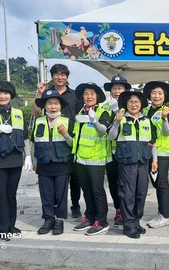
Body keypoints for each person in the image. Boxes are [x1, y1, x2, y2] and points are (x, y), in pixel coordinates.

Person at [0, 81, 32, 241]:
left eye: (6, 93)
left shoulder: (18, 112)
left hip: (15, 158)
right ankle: (1, 229)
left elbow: (24, 136)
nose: (2, 96)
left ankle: (10, 225)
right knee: (0, 195)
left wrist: (28, 155)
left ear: (11, 95)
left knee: (11, 195)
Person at [33, 64, 82, 219]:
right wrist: (39, 93)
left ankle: (74, 205)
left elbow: (81, 114)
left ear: (67, 77)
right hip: (49, 142)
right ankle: (51, 213)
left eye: (63, 75)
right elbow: (35, 111)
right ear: (52, 76)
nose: (60, 77)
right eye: (56, 74)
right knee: (51, 184)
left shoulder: (74, 95)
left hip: (68, 137)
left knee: (74, 179)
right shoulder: (45, 94)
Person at [108, 91, 158, 239]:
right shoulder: (121, 119)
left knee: (141, 194)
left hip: (143, 163)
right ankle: (128, 225)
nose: (134, 104)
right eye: (130, 102)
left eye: (136, 102)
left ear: (141, 104)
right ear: (126, 104)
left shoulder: (147, 121)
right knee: (127, 194)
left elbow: (152, 142)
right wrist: (117, 121)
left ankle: (136, 221)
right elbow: (111, 136)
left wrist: (154, 160)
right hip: (127, 163)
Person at [71, 82, 112, 236]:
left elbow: (103, 132)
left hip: (96, 158)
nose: (88, 96)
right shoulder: (80, 112)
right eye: (86, 94)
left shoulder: (103, 112)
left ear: (97, 97)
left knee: (97, 191)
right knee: (86, 190)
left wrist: (94, 121)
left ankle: (101, 221)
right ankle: (90, 216)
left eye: (92, 94)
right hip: (80, 158)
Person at [32, 90, 73, 235]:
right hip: (43, 163)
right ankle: (48, 218)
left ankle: (59, 220)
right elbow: (34, 143)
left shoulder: (68, 121)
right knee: (46, 193)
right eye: (49, 104)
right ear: (44, 106)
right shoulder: (39, 121)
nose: (53, 107)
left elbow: (73, 144)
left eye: (56, 103)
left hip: (61, 163)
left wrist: (65, 134)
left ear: (61, 106)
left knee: (60, 194)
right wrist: (34, 161)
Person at [142, 81, 169, 229]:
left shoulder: (167, 111)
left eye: (159, 93)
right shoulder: (145, 111)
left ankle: (165, 215)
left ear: (165, 96)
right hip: (147, 153)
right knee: (155, 183)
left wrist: (164, 118)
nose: (156, 96)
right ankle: (161, 212)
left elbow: (168, 132)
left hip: (161, 153)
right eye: (154, 93)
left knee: (162, 184)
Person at [103, 75, 131, 229]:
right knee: (114, 183)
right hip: (112, 152)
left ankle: (129, 210)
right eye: (114, 88)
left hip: (128, 152)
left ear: (126, 90)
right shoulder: (106, 108)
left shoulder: (132, 105)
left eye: (120, 88)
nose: (117, 91)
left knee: (127, 183)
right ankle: (119, 210)